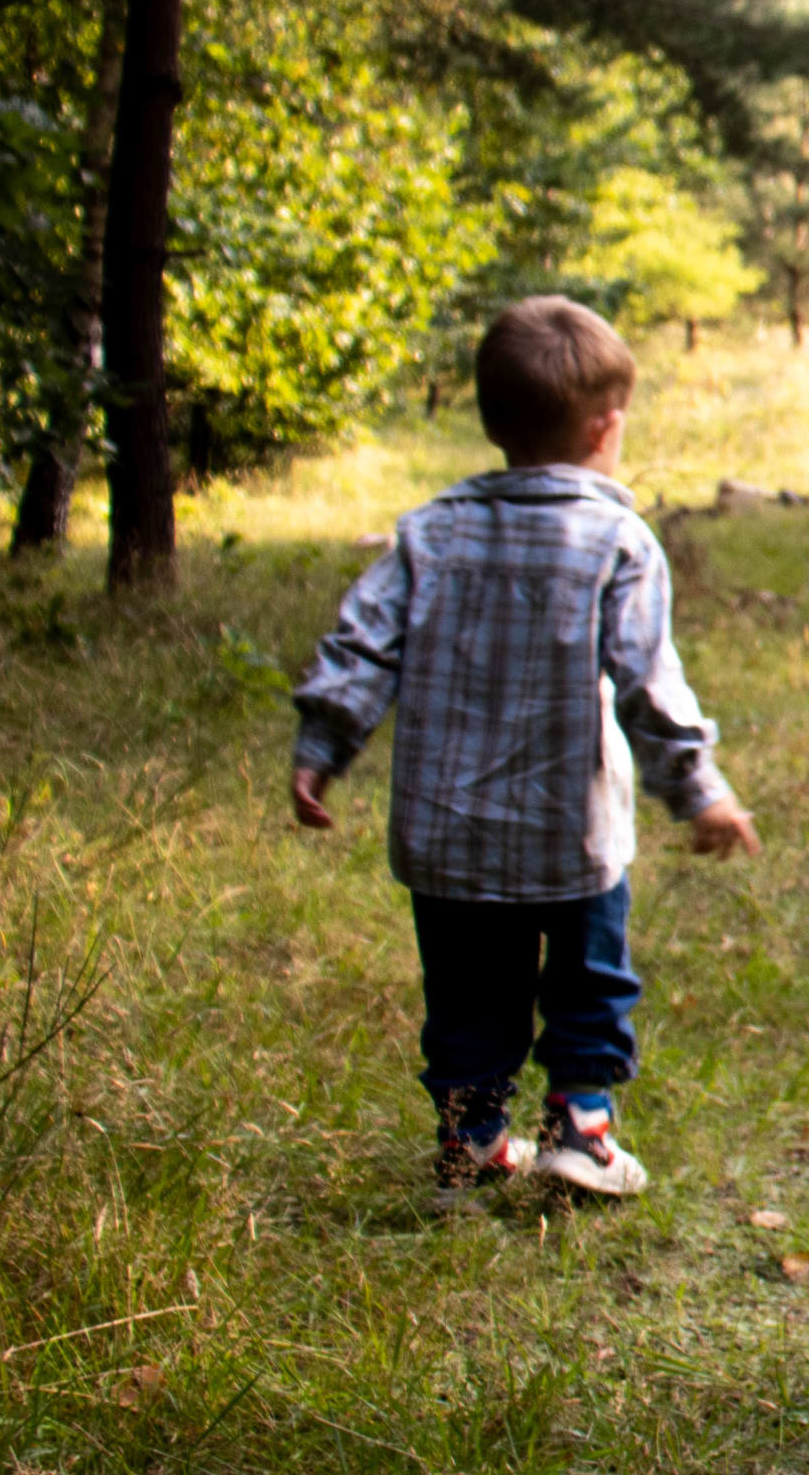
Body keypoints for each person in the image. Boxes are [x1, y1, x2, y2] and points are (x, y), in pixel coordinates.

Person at [291, 296, 760, 1203]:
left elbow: (361, 645)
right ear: (607, 425)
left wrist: (321, 748)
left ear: (491, 418)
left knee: (468, 995)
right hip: (569, 832)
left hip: (447, 836)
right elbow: (648, 682)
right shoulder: (618, 539)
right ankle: (580, 1132)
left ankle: (469, 1143)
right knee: (589, 980)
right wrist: (698, 790)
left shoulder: (428, 533)